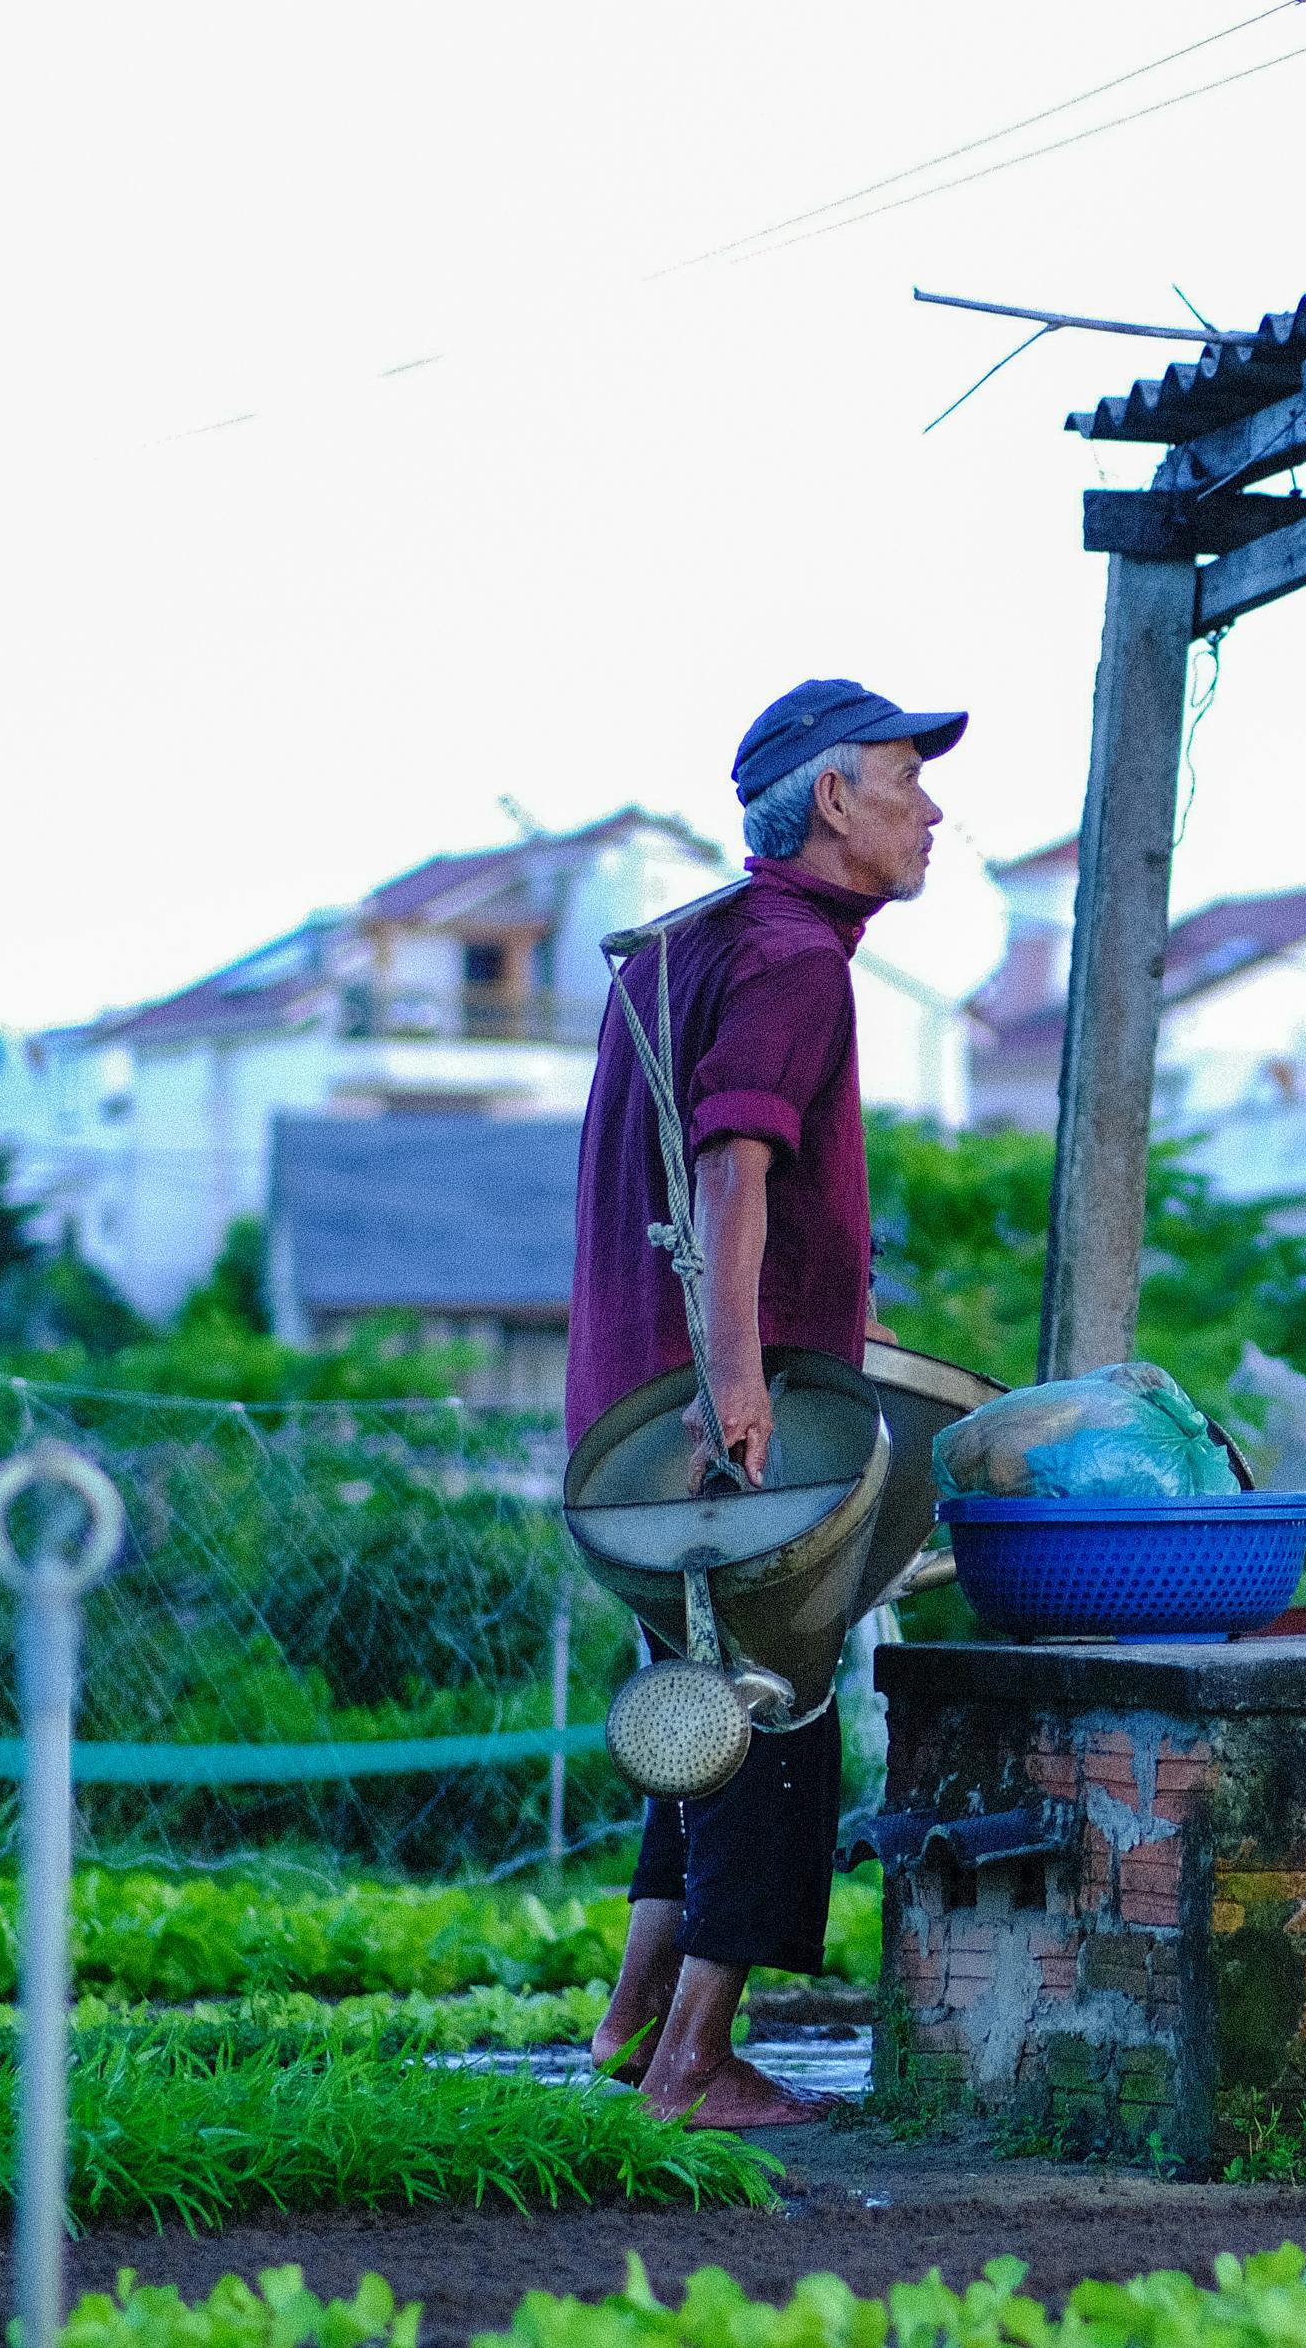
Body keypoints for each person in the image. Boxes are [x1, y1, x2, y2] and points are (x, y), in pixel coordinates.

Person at [567, 677, 960, 2126]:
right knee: (781, 1728)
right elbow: (735, 1166)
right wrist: (741, 1380)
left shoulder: (684, 948)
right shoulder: (797, 956)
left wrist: (817, 1319)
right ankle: (693, 2066)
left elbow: (720, 1186)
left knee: (709, 1713)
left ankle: (627, 2032)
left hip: (634, 1419)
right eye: (908, 780)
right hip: (723, 1425)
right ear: (834, 796)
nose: (934, 812)